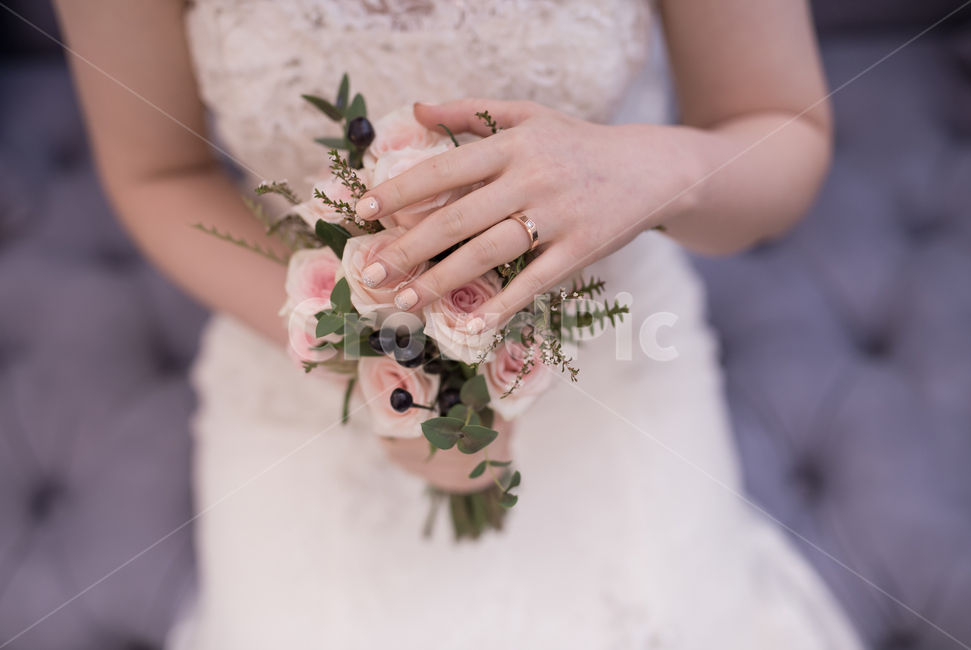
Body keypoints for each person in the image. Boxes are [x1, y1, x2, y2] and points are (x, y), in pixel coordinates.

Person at [54, 0, 864, 647]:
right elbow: (157, 171)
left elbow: (782, 127)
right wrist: (369, 355)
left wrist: (655, 173)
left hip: (602, 340)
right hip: (293, 335)